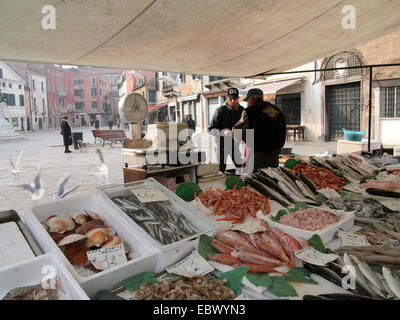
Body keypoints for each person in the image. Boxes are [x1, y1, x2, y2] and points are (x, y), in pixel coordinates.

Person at [233, 88, 286, 173]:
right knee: (271, 180)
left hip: (258, 155)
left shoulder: (250, 111)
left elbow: (237, 133)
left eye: (247, 101)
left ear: (252, 99)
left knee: (256, 180)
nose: (247, 104)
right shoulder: (277, 110)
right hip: (275, 156)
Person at [208, 87, 244, 173]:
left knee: (240, 168)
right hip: (221, 146)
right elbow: (210, 129)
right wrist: (222, 132)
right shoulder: (219, 111)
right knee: (221, 170)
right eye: (230, 99)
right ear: (227, 98)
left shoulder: (242, 111)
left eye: (235, 99)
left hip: (234, 145)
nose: (232, 101)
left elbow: (245, 127)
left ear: (238, 99)